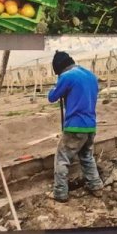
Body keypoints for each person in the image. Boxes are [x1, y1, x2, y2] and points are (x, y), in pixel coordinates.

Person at [48, 50, 103, 201]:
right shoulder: (90, 75)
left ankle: (60, 193)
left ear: (59, 68)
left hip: (75, 126)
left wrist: (55, 87)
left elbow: (52, 97)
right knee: (86, 156)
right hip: (90, 126)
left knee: (62, 158)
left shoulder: (66, 76)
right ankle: (96, 186)